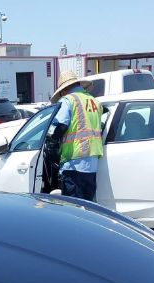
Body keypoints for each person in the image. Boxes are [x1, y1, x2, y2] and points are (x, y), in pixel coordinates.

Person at [49, 70, 104, 201]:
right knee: (88, 207)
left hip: (74, 161)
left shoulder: (68, 100)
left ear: (64, 89)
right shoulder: (95, 102)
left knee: (73, 210)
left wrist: (52, 140)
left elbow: (60, 125)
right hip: (92, 163)